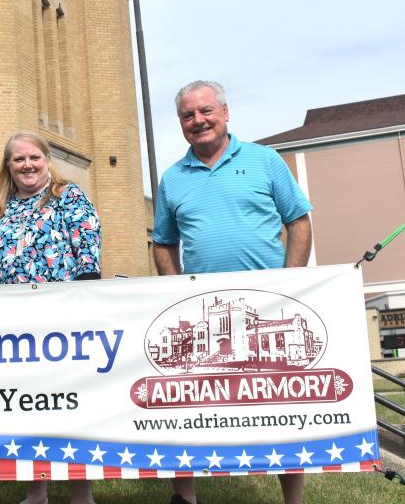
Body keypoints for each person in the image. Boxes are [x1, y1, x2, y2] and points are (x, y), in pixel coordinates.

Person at [152, 80, 313, 504]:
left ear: (225, 113)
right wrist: (175, 294)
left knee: (278, 406)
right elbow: (163, 242)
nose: (198, 121)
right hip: (203, 308)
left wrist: (290, 281)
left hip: (267, 303)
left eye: (205, 111)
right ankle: (184, 495)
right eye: (188, 116)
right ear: (181, 124)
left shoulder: (265, 160)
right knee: (190, 405)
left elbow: (298, 219)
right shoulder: (172, 178)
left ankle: (292, 499)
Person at [0, 131, 100, 504]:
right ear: (8, 166)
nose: (27, 165)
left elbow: (88, 258)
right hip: (16, 330)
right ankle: (37, 490)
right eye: (19, 159)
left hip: (64, 325)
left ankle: (81, 492)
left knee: (72, 406)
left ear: (47, 160)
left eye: (34, 157)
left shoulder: (69, 198)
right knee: (30, 407)